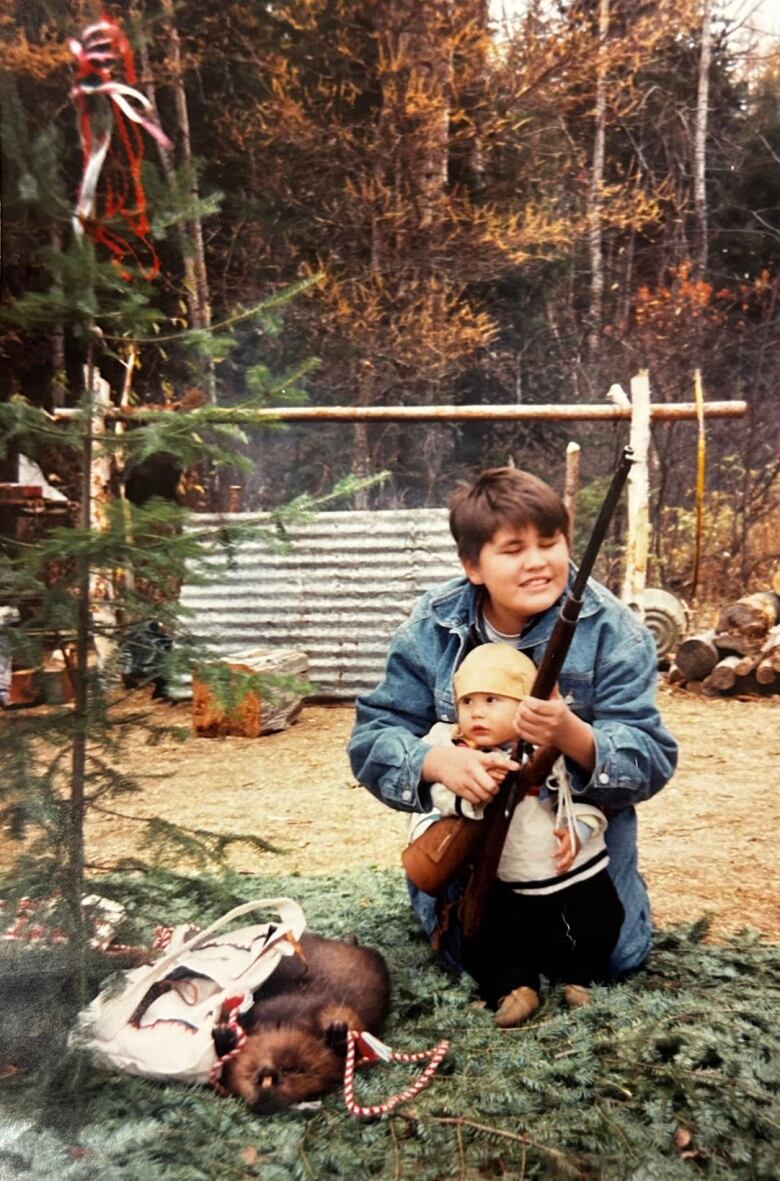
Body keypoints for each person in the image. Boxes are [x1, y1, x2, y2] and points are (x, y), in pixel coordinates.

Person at [347, 465, 678, 988]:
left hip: (576, 847)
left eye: (550, 543)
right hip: (477, 847)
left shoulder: (617, 632)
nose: (537, 563)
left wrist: (572, 734)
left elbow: (652, 760)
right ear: (472, 565)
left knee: (614, 960)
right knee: (467, 954)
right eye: (512, 549)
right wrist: (438, 762)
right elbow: (371, 739)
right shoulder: (429, 628)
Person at [408, 642, 625, 1027]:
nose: (477, 711)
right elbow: (438, 797)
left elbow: (584, 795)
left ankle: (581, 977)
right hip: (502, 872)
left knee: (598, 919)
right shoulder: (454, 749)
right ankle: (514, 988)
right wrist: (471, 790)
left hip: (566, 867)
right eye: (468, 701)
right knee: (487, 934)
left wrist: (578, 829)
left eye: (493, 699)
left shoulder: (551, 746)